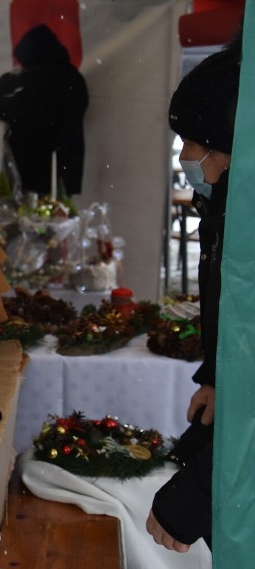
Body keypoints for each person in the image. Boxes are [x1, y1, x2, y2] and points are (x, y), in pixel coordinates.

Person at [145, 34, 242, 552]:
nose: (185, 155)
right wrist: (217, 378)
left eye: (194, 140)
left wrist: (197, 495)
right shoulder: (230, 205)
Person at [0, 24, 88, 196]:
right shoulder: (73, 77)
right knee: (60, 218)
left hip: (29, 169)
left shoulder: (31, 78)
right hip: (64, 165)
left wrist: (8, 83)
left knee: (26, 218)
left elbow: (2, 112)